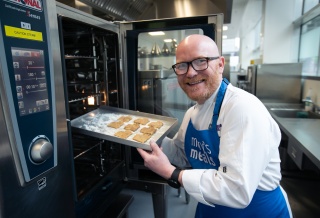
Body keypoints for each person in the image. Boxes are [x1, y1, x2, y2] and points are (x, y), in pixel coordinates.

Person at [137, 34, 292, 218]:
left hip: (257, 211)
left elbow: (236, 190)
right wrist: (147, 137)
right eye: (182, 65)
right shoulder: (192, 112)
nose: (190, 73)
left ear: (220, 64)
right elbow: (183, 154)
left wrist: (172, 173)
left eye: (201, 61)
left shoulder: (242, 109)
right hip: (211, 209)